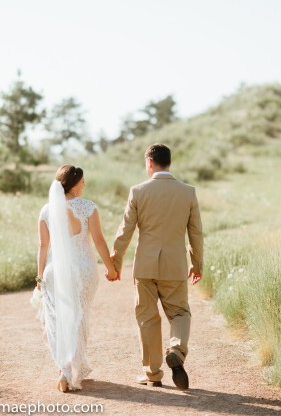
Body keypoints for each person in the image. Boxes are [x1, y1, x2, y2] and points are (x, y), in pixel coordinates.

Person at [109, 143, 204, 390]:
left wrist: (115, 262)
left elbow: (125, 231)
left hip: (145, 267)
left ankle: (152, 373)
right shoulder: (188, 192)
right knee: (180, 313)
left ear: (150, 163)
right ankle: (177, 350)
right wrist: (197, 264)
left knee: (148, 319)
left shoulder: (138, 191)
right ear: (169, 162)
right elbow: (196, 233)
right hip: (175, 266)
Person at [34, 165, 118, 392]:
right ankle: (71, 369)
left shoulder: (46, 210)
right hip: (83, 271)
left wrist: (39, 276)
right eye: (82, 181)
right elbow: (99, 240)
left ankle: (65, 368)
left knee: (57, 320)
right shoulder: (88, 207)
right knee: (80, 319)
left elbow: (43, 246)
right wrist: (111, 268)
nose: (84, 185)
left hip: (55, 271)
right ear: (73, 183)